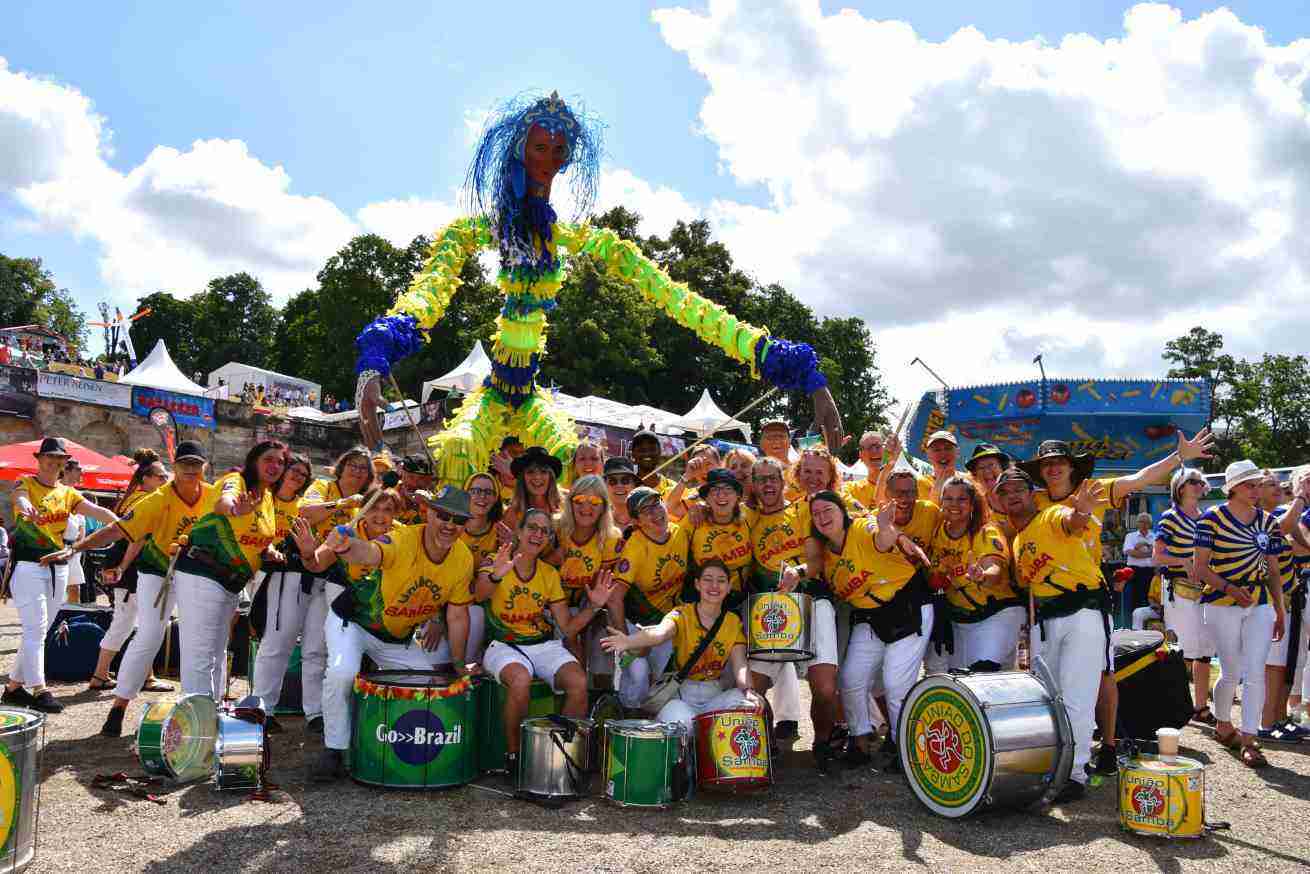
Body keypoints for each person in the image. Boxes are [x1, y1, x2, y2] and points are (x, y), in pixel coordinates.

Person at [1017, 432, 1213, 774]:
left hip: (1087, 604)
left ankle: (1084, 764)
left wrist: (1177, 458)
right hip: (1046, 611)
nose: (1052, 469)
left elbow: (1139, 479)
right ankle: (1062, 760)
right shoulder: (1035, 503)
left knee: (1093, 683)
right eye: (1046, 464)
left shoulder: (1092, 491)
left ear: (1071, 466)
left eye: (1058, 462)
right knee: (1054, 691)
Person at [305, 485, 476, 781]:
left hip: (396, 637)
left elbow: (458, 614)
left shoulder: (463, 559)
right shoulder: (404, 538)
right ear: (429, 513)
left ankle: (396, 742)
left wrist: (459, 663)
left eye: (458, 520)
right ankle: (334, 750)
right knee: (342, 672)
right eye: (443, 515)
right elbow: (371, 552)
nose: (449, 525)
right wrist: (346, 547)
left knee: (431, 684)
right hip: (353, 622)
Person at [49, 440, 218, 734]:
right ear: (175, 467)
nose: (190, 470)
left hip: (194, 573)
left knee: (197, 639)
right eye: (184, 464)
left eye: (196, 464)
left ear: (205, 467)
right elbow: (117, 531)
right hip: (155, 571)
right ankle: (118, 707)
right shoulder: (154, 500)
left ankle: (198, 714)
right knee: (149, 634)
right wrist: (76, 547)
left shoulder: (215, 497)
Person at [476, 508, 613, 773]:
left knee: (578, 682)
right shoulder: (497, 559)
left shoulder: (549, 573)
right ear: (519, 531)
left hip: (541, 644)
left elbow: (567, 627)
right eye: (532, 528)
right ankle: (514, 755)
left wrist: (594, 606)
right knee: (520, 680)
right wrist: (497, 574)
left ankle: (561, 755)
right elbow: (478, 595)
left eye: (545, 531)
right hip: (503, 644)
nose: (538, 534)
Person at [1000, 467, 1107, 802]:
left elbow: (1072, 522)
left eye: (1020, 488)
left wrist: (1083, 511)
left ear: (1033, 494)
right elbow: (1032, 590)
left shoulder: (1049, 516)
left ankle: (1073, 775)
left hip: (1082, 612)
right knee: (1050, 698)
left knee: (1078, 695)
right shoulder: (1017, 541)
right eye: (1005, 491)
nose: (1013, 494)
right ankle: (1056, 768)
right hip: (1046, 622)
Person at [812, 490, 928, 769]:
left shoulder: (863, 527)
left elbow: (882, 539)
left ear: (842, 512)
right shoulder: (827, 556)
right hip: (870, 616)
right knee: (851, 677)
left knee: (896, 684)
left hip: (908, 605)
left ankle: (907, 750)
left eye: (828, 509)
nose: (822, 517)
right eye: (816, 514)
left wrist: (889, 528)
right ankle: (860, 741)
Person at [9, 438, 119, 713]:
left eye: (60, 459)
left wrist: (122, 522)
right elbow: (18, 498)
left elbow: (96, 511)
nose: (55, 462)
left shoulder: (68, 493)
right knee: (36, 629)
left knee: (40, 629)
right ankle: (39, 689)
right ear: (39, 459)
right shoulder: (27, 483)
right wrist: (26, 507)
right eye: (50, 457)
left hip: (59, 568)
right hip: (28, 566)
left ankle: (12, 688)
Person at [601, 560, 760, 741]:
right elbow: (659, 633)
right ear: (697, 585)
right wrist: (629, 641)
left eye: (721, 580)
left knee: (747, 705)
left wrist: (748, 690)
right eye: (708, 579)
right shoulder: (681, 614)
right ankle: (683, 767)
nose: (714, 585)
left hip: (715, 692)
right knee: (682, 723)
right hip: (681, 695)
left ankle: (728, 767)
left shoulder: (733, 621)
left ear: (729, 586)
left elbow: (740, 665)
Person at [174, 441, 283, 700]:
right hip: (202, 572)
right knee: (200, 652)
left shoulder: (267, 497)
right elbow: (225, 502)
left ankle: (212, 712)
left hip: (231, 581)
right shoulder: (236, 480)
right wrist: (235, 509)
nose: (275, 466)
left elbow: (258, 538)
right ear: (254, 460)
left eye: (281, 461)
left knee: (217, 650)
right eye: (269, 459)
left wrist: (268, 552)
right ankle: (197, 722)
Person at [1195, 460, 1286, 767]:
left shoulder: (1268, 522)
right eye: (1250, 484)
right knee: (1231, 671)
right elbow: (1199, 568)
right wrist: (1229, 588)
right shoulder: (1211, 519)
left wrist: (1280, 609)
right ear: (1232, 487)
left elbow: (1273, 570)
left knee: (1255, 670)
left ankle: (1249, 738)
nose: (1256, 490)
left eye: (1258, 484)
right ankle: (1222, 723)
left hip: (1260, 601)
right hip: (1221, 602)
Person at [743, 456, 812, 758]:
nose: (768, 484)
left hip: (807, 600)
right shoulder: (750, 518)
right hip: (767, 605)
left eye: (773, 478)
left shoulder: (800, 510)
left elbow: (819, 557)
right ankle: (766, 729)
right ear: (753, 485)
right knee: (758, 673)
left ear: (784, 481)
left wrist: (800, 571)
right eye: (761, 479)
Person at [88, 449, 169, 693]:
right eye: (160, 477)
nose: (165, 481)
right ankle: (104, 674)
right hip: (131, 568)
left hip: (133, 567)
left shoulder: (136, 497)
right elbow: (138, 539)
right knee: (129, 622)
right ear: (146, 478)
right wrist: (123, 567)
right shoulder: (143, 500)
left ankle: (121, 675)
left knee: (136, 622)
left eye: (165, 477)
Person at [249, 453, 319, 733]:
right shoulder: (265, 498)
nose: (298, 477)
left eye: (303, 474)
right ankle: (262, 709)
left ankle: (301, 711)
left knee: (301, 646)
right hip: (275, 575)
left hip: (303, 575)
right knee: (275, 643)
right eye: (294, 470)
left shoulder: (304, 506)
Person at [608, 487, 692, 709]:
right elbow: (614, 599)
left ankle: (657, 726)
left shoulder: (681, 533)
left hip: (666, 621)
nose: (655, 513)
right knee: (638, 671)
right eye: (645, 511)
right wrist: (625, 641)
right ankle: (628, 718)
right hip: (634, 621)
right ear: (636, 521)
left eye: (657, 504)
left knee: (666, 679)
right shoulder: (635, 546)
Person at [929, 474, 1022, 671]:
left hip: (997, 613)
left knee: (983, 674)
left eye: (962, 499)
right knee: (960, 683)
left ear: (972, 504)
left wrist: (983, 576)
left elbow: (995, 568)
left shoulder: (986, 531)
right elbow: (935, 577)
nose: (954, 504)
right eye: (948, 498)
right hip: (961, 619)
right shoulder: (937, 533)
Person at [1154, 466, 1216, 724]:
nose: (1199, 485)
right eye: (1194, 481)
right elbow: (1157, 556)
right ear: (1180, 487)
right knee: (1179, 650)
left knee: (1204, 650)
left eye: (1201, 482)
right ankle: (1174, 705)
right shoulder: (1170, 517)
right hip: (1178, 590)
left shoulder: (1207, 518)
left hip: (1204, 591)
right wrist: (1184, 561)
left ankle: (1200, 707)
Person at [550, 474, 621, 673]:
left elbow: (601, 589)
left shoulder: (611, 538)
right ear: (570, 502)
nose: (586, 507)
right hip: (550, 604)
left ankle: (597, 692)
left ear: (604, 506)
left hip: (586, 603)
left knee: (601, 638)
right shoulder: (554, 528)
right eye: (580, 500)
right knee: (567, 643)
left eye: (595, 501)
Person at [1261, 470, 1308, 742]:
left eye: (1279, 485)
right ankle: (1267, 724)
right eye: (1270, 485)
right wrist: (1300, 495)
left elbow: (1298, 541)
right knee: (1274, 666)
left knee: (1285, 664)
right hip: (1270, 601)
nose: (1278, 488)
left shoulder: (1279, 514)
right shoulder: (1261, 520)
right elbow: (1285, 528)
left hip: (1288, 598)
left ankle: (1277, 719)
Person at [300, 447, 374, 603]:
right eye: (352, 465)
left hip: (340, 578)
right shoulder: (323, 486)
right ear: (342, 467)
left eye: (363, 468)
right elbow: (305, 514)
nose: (357, 471)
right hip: (305, 567)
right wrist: (342, 504)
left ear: (369, 475)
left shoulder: (369, 503)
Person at [503, 445, 564, 530]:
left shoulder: (566, 505)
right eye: (530, 472)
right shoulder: (513, 514)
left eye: (543, 471)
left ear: (551, 477)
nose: (537, 477)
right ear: (522, 478)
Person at [1122, 512, 1157, 628]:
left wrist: (1139, 551)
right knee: (1131, 601)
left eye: (1146, 522)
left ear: (1150, 524)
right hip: (1134, 572)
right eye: (1141, 521)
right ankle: (1130, 628)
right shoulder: (1130, 536)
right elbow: (1129, 552)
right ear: (1137, 523)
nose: (1144, 524)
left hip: (1150, 572)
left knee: (1148, 602)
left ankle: (1146, 629)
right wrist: (1148, 552)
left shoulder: (1155, 537)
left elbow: (1156, 554)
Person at [963, 443, 1012, 526]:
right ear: (975, 475)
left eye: (991, 465)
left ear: (1002, 467)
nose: (987, 471)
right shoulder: (976, 506)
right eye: (981, 468)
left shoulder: (1022, 493)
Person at [60, 458, 87, 604]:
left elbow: (81, 525)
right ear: (66, 471)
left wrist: (77, 547)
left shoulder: (77, 494)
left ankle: (71, 619)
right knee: (56, 587)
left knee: (74, 588)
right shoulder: (56, 491)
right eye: (78, 470)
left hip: (73, 548)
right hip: (58, 546)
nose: (81, 473)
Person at [630, 430, 677, 496]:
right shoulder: (624, 489)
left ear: (660, 452)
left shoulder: (673, 488)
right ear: (633, 454)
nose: (647, 454)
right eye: (641, 450)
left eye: (652, 449)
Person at [395, 454, 436, 526]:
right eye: (410, 477)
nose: (414, 483)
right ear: (403, 475)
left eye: (421, 478)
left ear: (428, 481)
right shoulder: (388, 495)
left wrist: (427, 504)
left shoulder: (435, 503)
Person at [603, 456, 638, 528]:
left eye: (625, 480)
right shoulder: (598, 520)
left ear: (634, 485)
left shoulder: (646, 517)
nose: (619, 485)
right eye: (612, 481)